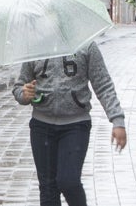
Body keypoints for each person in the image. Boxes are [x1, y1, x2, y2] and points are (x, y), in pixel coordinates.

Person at [12, 42, 127, 206]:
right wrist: (23, 94)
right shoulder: (35, 45)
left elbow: (103, 83)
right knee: (47, 188)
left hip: (76, 125)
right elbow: (20, 85)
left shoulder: (87, 46)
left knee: (69, 181)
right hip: (41, 126)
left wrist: (117, 120)